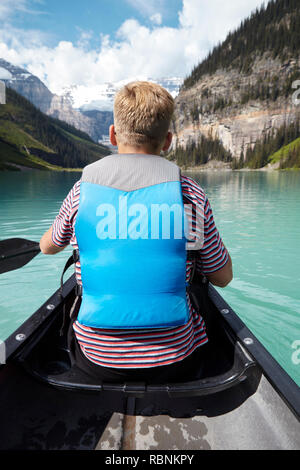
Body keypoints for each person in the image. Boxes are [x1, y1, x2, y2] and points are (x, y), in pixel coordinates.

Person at [40, 81, 232, 384]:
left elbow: (48, 247)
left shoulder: (81, 193)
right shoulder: (190, 195)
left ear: (114, 134)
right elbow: (222, 277)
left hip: (94, 359)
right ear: (167, 141)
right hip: (176, 359)